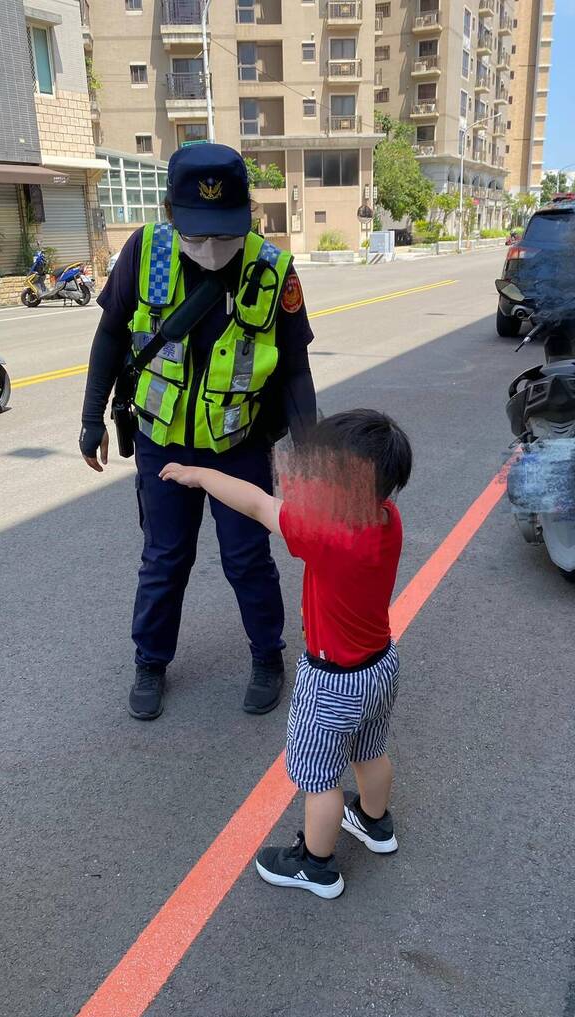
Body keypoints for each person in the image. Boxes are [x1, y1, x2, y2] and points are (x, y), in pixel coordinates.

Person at [80, 143, 316, 721]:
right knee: (164, 557)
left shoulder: (273, 269)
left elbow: (294, 368)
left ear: (247, 217)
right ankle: (150, 660)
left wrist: (313, 458)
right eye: (197, 234)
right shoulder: (145, 252)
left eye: (225, 234)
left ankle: (268, 656)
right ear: (170, 214)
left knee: (247, 558)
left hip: (238, 444)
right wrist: (91, 417)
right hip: (164, 441)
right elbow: (110, 336)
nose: (211, 249)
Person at [161, 409, 413, 898]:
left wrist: (199, 474)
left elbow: (256, 505)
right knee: (371, 749)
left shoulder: (327, 536)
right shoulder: (387, 519)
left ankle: (316, 865)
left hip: (333, 681)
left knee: (319, 779)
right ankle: (374, 823)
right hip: (381, 666)